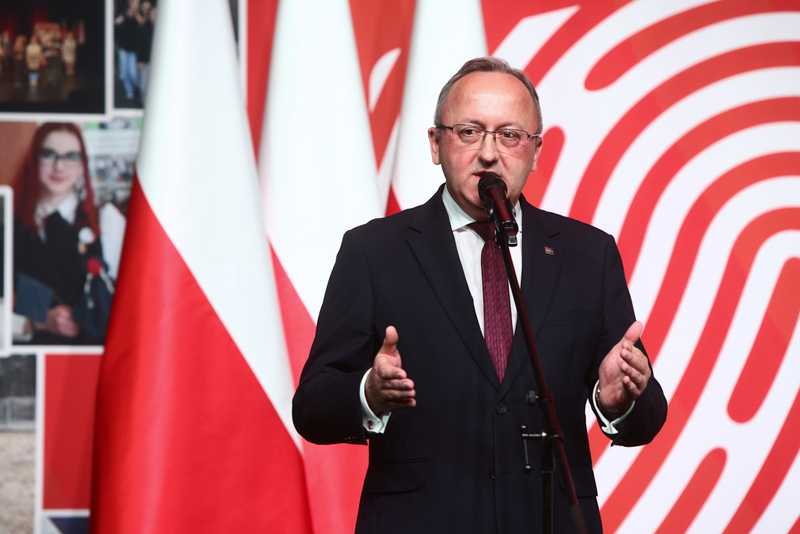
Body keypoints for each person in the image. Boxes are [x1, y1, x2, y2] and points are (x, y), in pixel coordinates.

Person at [292, 57, 668, 534]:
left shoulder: (587, 254)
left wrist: (618, 401)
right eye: (469, 132)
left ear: (534, 151)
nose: (489, 154)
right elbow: (312, 406)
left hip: (548, 521)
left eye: (510, 135)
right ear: (435, 144)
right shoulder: (373, 251)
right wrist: (370, 393)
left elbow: (648, 413)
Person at [11, 123, 126, 345]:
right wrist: (39, 322)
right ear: (34, 159)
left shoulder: (107, 222)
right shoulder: (7, 223)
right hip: (27, 360)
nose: (59, 166)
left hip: (91, 360)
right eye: (49, 155)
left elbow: (132, 302)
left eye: (71, 156)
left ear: (82, 164)